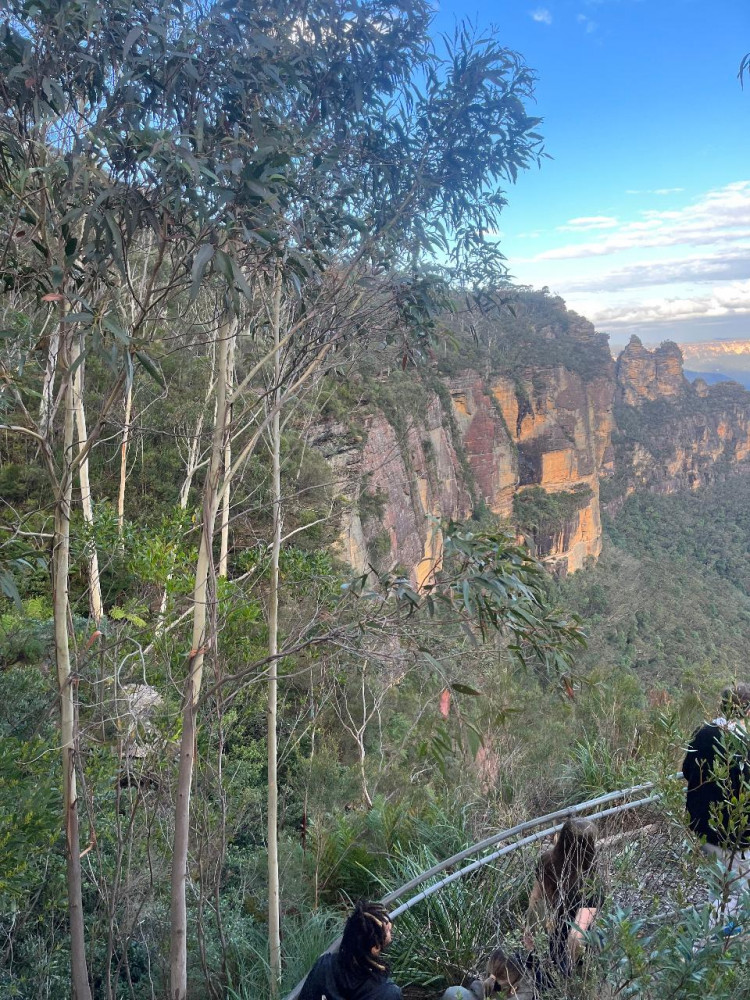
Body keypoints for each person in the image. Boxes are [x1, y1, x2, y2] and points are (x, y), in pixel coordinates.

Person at [682, 682, 750, 925]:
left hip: (704, 830)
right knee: (736, 897)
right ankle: (715, 949)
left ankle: (713, 942)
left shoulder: (702, 733)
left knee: (719, 889)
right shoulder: (745, 744)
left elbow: (688, 771)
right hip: (735, 837)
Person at [522, 819, 602, 977]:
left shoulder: (546, 860)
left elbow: (535, 898)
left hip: (546, 932)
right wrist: (568, 971)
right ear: (589, 846)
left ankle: (534, 964)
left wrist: (529, 932)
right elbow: (576, 938)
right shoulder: (591, 885)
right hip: (564, 946)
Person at [299, 900, 401, 1000]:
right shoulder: (386, 993)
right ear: (375, 948)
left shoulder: (324, 966)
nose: (389, 925)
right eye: (387, 930)